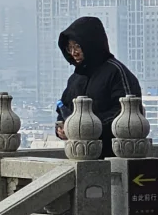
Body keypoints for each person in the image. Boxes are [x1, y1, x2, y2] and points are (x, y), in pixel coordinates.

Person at [54, 15, 141, 157]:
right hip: (80, 154)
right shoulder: (76, 78)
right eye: (69, 48)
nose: (74, 53)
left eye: (78, 46)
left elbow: (126, 112)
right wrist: (61, 127)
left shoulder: (116, 72)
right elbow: (63, 108)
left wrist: (89, 126)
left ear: (91, 44)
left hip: (113, 155)